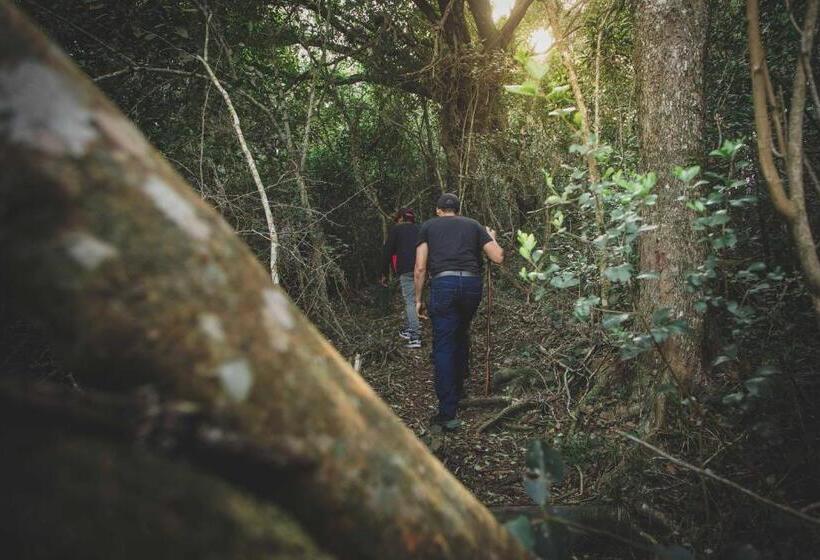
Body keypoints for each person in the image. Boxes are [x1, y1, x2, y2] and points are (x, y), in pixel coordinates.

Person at [414, 193, 504, 430]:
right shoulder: (473, 225)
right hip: (471, 287)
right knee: (461, 331)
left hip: (444, 285)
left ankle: (447, 413)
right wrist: (492, 238)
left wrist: (417, 299)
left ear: (438, 210)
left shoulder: (428, 227)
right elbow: (497, 257)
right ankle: (460, 386)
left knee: (444, 344)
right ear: (459, 209)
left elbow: (420, 267)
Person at [381, 208, 422, 348]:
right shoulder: (420, 229)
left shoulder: (397, 230)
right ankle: (409, 328)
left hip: (406, 269)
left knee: (410, 301)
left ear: (400, 218)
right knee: (416, 299)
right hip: (422, 269)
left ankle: (415, 337)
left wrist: (384, 274)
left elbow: (387, 252)